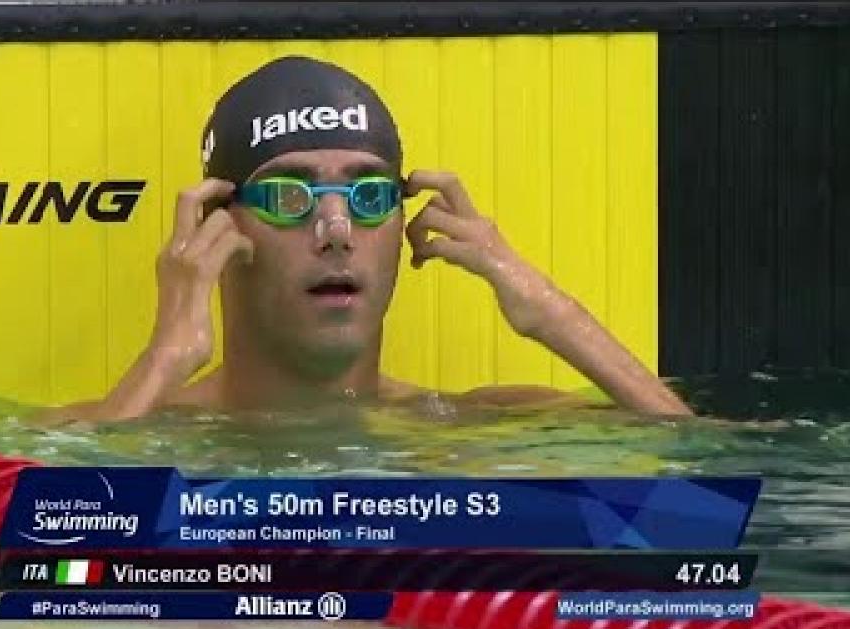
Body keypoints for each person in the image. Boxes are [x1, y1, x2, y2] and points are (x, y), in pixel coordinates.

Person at [43, 56, 691, 424]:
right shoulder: (105, 426)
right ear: (221, 228)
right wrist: (167, 354)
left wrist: (552, 311)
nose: (336, 231)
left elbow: (709, 486)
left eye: (370, 195)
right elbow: (40, 549)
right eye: (290, 196)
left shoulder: (471, 426)